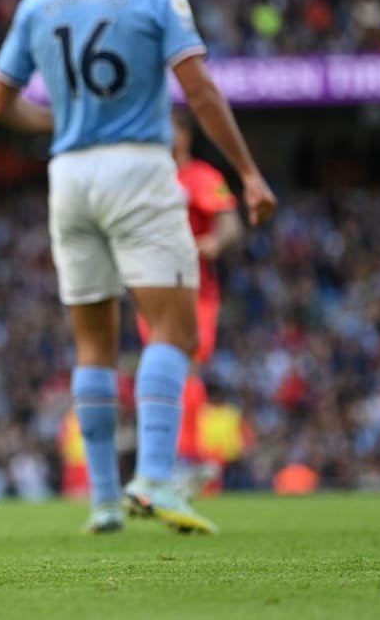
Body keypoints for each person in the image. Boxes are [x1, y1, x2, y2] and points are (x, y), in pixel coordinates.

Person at [0, 0, 276, 535]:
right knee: (174, 331)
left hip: (69, 175)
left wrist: (57, 119)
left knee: (93, 342)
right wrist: (249, 172)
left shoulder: (37, 4)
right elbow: (199, 91)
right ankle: (155, 477)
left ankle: (105, 500)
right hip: (139, 168)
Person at [137, 109, 243, 497]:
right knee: (161, 368)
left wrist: (215, 241)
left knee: (186, 367)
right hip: (152, 288)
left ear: (185, 136)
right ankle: (164, 462)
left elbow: (230, 224)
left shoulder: (202, 177)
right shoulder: (146, 179)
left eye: (172, 130)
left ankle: (186, 457)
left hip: (195, 290)